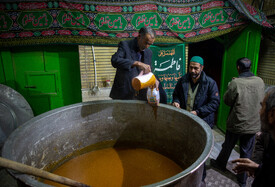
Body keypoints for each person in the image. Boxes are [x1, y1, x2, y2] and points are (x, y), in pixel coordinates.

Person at [210, 57, 265, 187]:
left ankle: (220, 164)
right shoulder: (260, 81)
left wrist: (231, 84)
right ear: (250, 67)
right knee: (246, 151)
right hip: (253, 124)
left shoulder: (236, 83)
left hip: (237, 124)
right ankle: (242, 180)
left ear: (238, 68)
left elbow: (227, 101)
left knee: (227, 146)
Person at [172, 56, 220, 185]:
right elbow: (176, 94)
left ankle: (201, 178)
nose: (193, 70)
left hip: (202, 123)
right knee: (185, 148)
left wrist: (198, 112)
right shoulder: (183, 80)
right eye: (191, 67)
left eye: (196, 68)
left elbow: (215, 103)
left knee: (200, 151)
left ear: (202, 68)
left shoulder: (210, 83)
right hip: (186, 121)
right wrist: (176, 101)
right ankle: (185, 173)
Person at [232, 84, 275, 187]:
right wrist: (258, 169)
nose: (259, 112)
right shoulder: (271, 137)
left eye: (262, 106)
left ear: (272, 114)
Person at [110, 26, 167, 104]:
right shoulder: (125, 45)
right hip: (123, 96)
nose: (147, 46)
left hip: (141, 97)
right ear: (139, 36)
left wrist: (153, 79)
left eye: (150, 44)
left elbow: (148, 71)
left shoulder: (148, 52)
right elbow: (115, 60)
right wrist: (136, 63)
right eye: (146, 43)